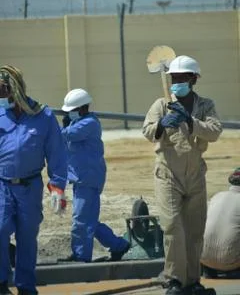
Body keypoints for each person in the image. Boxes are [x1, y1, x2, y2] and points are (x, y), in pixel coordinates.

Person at [142, 55, 222, 295]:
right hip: (168, 174)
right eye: (174, 78)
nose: (177, 81)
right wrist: (162, 125)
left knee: (195, 230)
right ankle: (174, 280)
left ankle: (192, 281)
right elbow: (147, 131)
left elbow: (215, 131)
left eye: (182, 78)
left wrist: (190, 120)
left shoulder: (205, 105)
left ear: (193, 79)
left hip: (195, 175)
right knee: (173, 228)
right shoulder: (161, 105)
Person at [0, 65, 67, 295]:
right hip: (2, 185)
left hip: (30, 186)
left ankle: (26, 287)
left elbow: (57, 153)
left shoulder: (43, 116)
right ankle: (1, 283)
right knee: (0, 229)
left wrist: (57, 186)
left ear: (14, 89)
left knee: (27, 236)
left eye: (2, 91)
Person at [60, 88, 130, 263]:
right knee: (88, 220)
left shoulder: (89, 123)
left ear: (83, 108)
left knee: (81, 220)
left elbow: (67, 135)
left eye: (72, 111)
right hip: (81, 177)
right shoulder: (79, 121)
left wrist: (52, 125)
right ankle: (119, 245)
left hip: (88, 178)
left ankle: (81, 257)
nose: (70, 114)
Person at [201, 168, 240, 279]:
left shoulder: (216, 196)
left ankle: (210, 269)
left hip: (204, 259)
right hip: (231, 262)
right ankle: (231, 268)